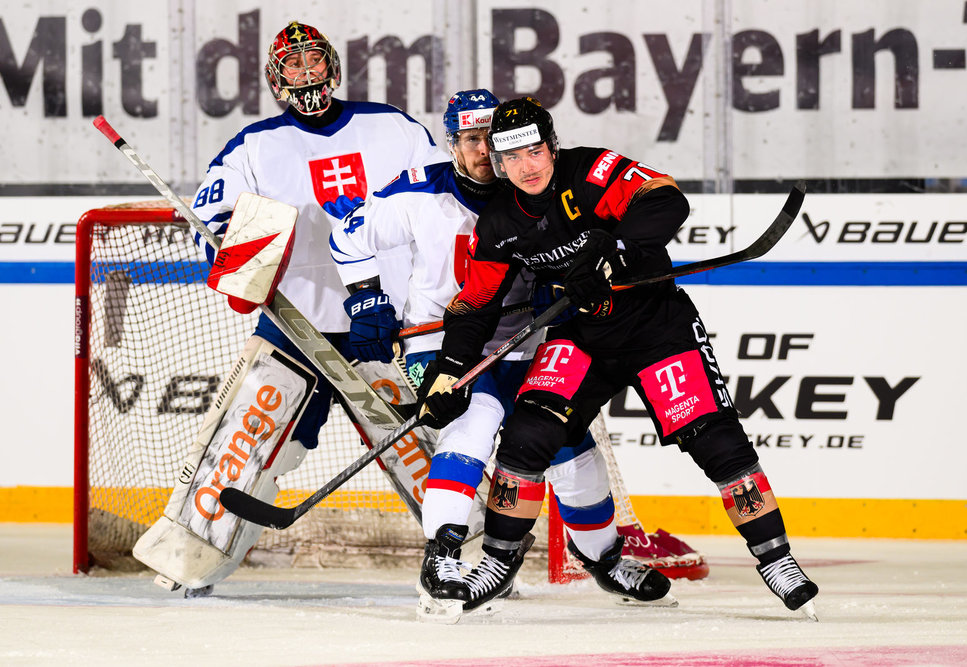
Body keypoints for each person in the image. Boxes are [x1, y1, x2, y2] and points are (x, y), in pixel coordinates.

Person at [417, 97, 819, 619]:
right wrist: (451, 369)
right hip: (581, 336)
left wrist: (615, 250)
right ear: (497, 161)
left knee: (716, 441)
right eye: (512, 158)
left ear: (552, 146)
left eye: (536, 152)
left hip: (657, 330)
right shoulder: (497, 222)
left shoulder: (590, 169)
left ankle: (777, 559)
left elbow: (666, 199)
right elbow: (475, 303)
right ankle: (496, 563)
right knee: (527, 435)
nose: (527, 167)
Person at [329, 89, 673, 620]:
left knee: (567, 444)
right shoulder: (420, 192)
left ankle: (603, 558)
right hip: (445, 341)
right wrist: (369, 301)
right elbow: (347, 236)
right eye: (471, 140)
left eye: (493, 140)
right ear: (453, 144)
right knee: (472, 421)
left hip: (533, 335)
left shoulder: (542, 188)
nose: (484, 151)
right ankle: (441, 556)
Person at [132, 20, 449, 594]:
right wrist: (226, 239)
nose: (307, 75)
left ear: (332, 65)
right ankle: (191, 557)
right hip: (294, 325)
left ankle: (469, 555)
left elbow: (442, 200)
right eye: (293, 66)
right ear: (277, 80)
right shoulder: (255, 145)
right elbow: (217, 215)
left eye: (315, 62)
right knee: (247, 443)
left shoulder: (394, 127)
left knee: (423, 448)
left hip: (385, 325)